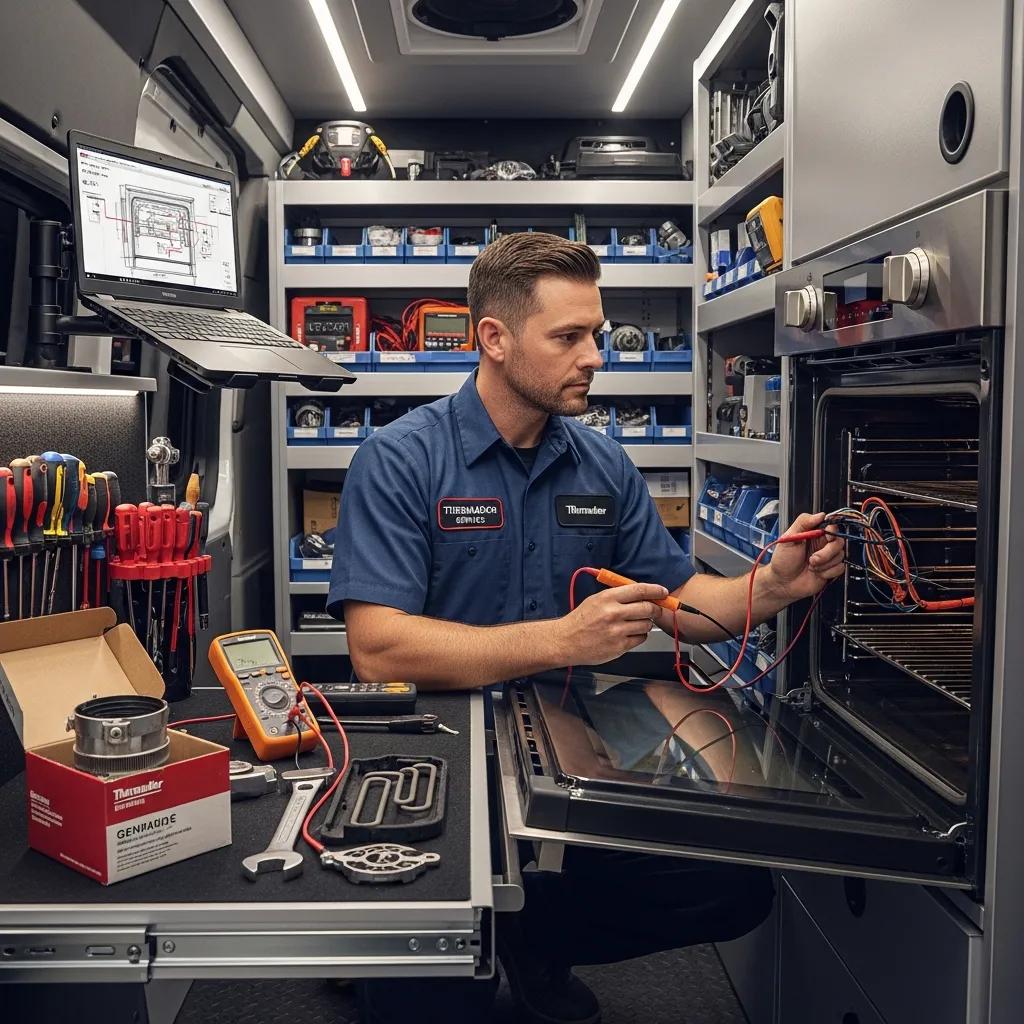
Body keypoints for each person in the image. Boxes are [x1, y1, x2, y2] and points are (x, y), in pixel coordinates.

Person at [328, 232, 846, 1024]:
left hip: (560, 755)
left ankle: (527, 939)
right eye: (568, 337)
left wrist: (771, 587)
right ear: (493, 339)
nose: (594, 356)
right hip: (431, 762)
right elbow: (377, 649)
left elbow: (685, 603)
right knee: (430, 1004)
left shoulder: (603, 467)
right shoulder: (401, 460)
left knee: (735, 886)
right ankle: (427, 944)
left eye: (596, 333)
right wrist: (562, 640)